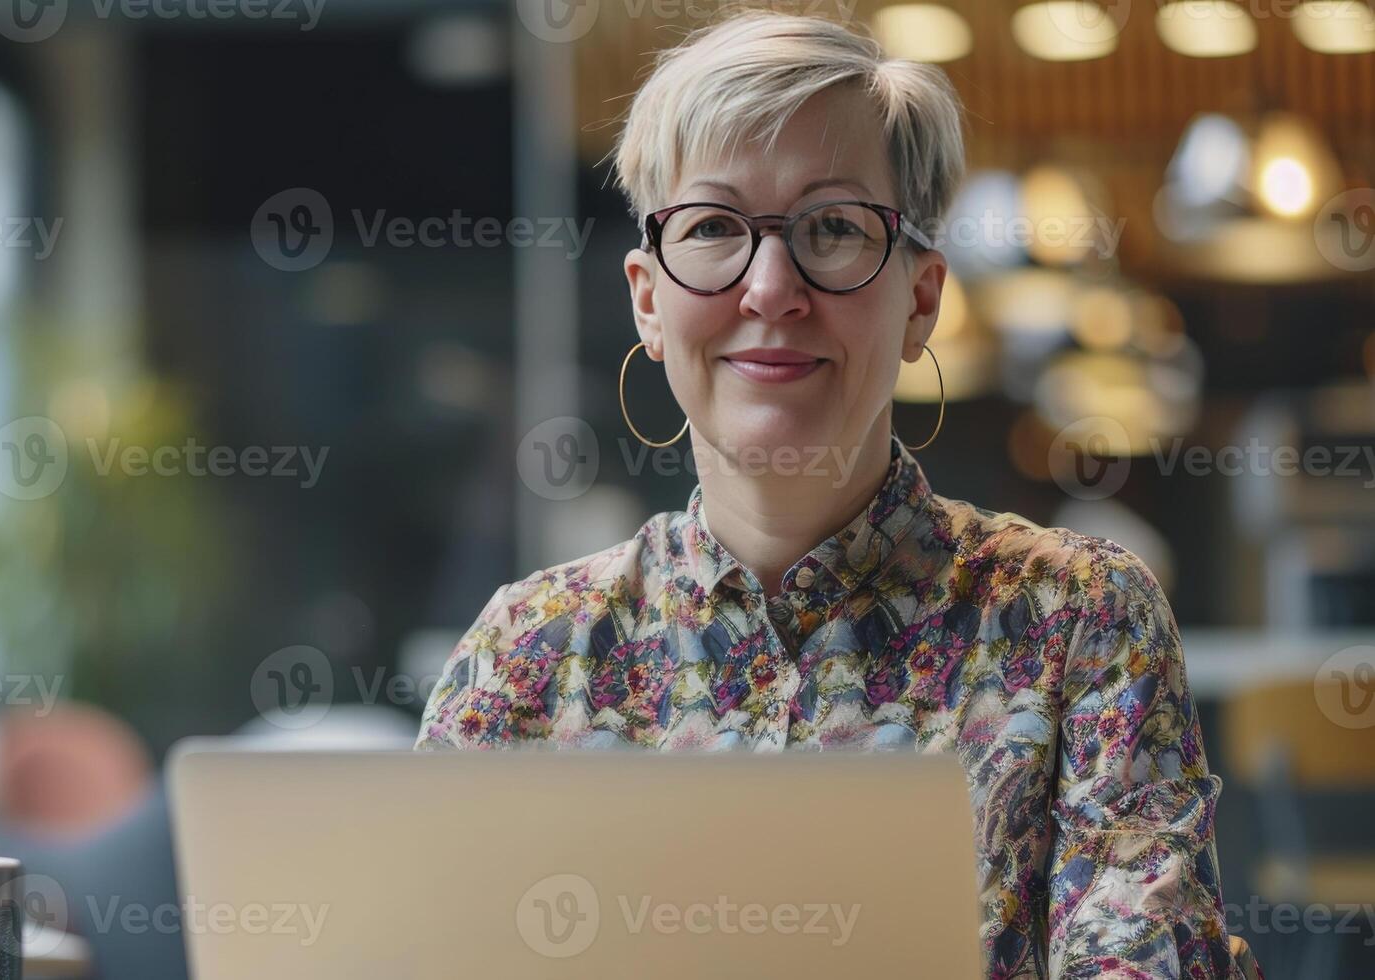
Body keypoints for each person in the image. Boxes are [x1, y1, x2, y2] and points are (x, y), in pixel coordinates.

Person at [415, 12, 1260, 979]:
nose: (770, 287)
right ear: (648, 297)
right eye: (714, 228)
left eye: (831, 227)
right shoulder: (528, 654)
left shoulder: (1077, 623)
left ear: (920, 298)